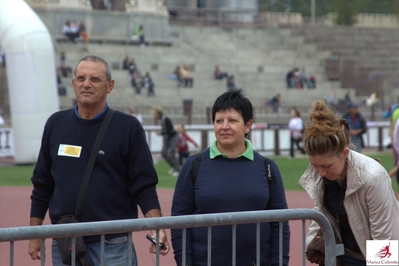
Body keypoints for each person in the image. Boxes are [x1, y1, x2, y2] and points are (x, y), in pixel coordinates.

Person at [28, 55, 170, 265]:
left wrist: (157, 229)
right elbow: (42, 184)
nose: (86, 84)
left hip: (113, 244)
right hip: (65, 242)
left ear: (109, 86)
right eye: (81, 78)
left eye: (94, 79)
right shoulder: (55, 124)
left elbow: (143, 185)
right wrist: (34, 234)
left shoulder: (128, 128)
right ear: (73, 82)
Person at [171, 89, 290, 266]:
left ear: (248, 125)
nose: (224, 126)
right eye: (219, 121)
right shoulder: (193, 165)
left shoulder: (267, 168)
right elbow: (179, 221)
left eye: (232, 120)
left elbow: (280, 225)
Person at [299, 100, 399, 265]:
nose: (321, 173)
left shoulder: (373, 177)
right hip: (344, 256)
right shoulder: (321, 174)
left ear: (345, 153)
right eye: (315, 165)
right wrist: (312, 242)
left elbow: (383, 240)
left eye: (327, 166)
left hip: (376, 257)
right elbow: (319, 212)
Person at [152, 106, 180, 177]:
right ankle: (173, 166)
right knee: (164, 153)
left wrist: (160, 133)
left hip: (173, 137)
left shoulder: (165, 119)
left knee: (172, 153)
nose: (155, 116)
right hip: (168, 138)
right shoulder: (162, 119)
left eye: (155, 115)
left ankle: (177, 169)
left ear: (158, 114)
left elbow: (169, 130)